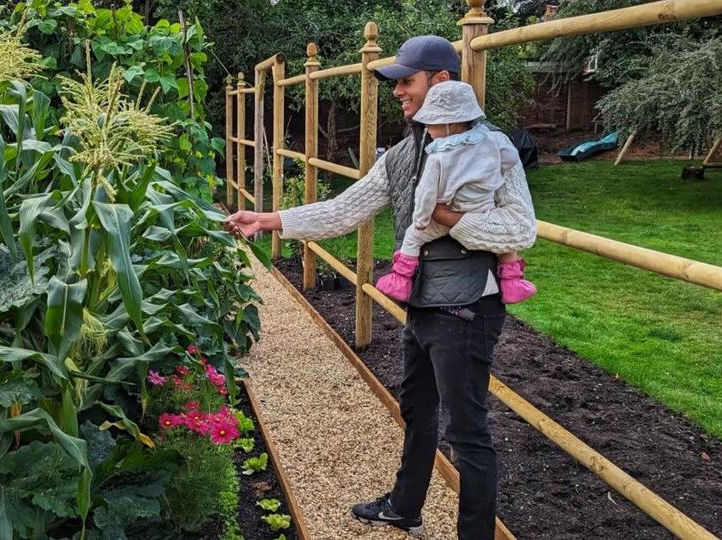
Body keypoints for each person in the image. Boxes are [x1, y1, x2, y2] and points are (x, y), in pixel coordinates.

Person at [225, 35, 536, 539]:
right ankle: (405, 507)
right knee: (415, 408)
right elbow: (345, 209)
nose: (397, 92)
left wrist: (449, 218)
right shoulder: (401, 155)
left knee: (467, 434)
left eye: (406, 81)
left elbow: (522, 229)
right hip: (421, 303)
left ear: (442, 81)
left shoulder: (491, 150)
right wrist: (268, 219)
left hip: (468, 308)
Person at [374, 81, 536, 305]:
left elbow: (426, 193)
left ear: (449, 123)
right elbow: (509, 160)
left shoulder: (439, 156)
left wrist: (421, 219)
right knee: (505, 246)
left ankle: (400, 279)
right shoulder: (492, 141)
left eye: (431, 124)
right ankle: (513, 282)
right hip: (484, 207)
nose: (428, 130)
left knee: (413, 237)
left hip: (449, 211)